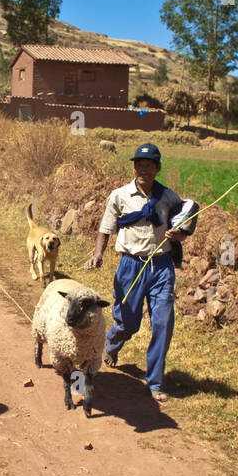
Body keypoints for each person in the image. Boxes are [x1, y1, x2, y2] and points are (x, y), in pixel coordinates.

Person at [83, 142, 192, 403]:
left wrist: (179, 235)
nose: (143, 169)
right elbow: (105, 227)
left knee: (163, 323)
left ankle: (154, 381)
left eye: (149, 165)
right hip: (130, 266)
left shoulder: (169, 197)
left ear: (157, 168)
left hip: (162, 266)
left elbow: (185, 222)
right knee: (129, 322)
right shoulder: (119, 196)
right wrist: (98, 254)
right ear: (133, 167)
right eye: (139, 164)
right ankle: (113, 342)